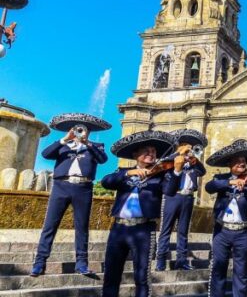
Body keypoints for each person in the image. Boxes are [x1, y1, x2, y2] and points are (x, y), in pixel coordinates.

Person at [102, 130, 184, 297]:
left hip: (143, 229)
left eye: (154, 151)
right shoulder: (123, 172)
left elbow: (169, 191)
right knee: (111, 275)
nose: (151, 154)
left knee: (142, 276)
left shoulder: (161, 175)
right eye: (146, 150)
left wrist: (176, 171)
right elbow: (106, 182)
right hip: (118, 228)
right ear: (135, 154)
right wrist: (127, 173)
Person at [30, 113, 110, 277]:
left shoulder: (95, 146)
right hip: (61, 186)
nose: (80, 132)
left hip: (83, 187)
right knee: (50, 226)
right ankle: (39, 263)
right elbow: (45, 154)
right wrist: (65, 139)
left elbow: (102, 159)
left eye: (83, 129)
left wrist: (87, 143)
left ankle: (81, 263)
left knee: (82, 227)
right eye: (77, 129)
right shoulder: (62, 145)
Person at [205, 139, 247, 297]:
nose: (242, 164)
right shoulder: (220, 178)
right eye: (238, 161)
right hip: (221, 231)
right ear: (230, 164)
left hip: (243, 232)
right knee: (218, 270)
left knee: (241, 273)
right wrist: (231, 182)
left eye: (243, 161)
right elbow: (209, 187)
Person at [155, 129, 207, 271]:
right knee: (166, 229)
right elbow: (163, 163)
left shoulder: (193, 163)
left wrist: (194, 160)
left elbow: (203, 172)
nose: (188, 148)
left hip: (188, 197)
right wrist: (180, 153)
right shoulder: (172, 159)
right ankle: (160, 260)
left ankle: (181, 260)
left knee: (183, 231)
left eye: (190, 147)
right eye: (184, 145)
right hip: (173, 196)